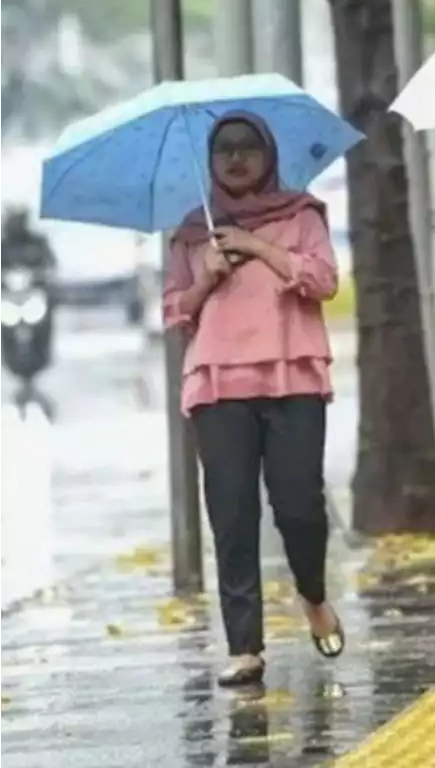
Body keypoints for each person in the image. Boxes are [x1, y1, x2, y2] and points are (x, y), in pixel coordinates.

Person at [162, 111, 345, 688]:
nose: (236, 158)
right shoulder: (193, 230)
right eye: (224, 150)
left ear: (268, 154)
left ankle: (313, 594)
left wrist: (256, 246)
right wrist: (207, 276)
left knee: (299, 508)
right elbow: (174, 311)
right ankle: (245, 645)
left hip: (292, 378)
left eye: (248, 147)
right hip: (218, 384)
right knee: (232, 515)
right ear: (211, 162)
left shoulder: (303, 214)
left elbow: (324, 281)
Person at [0, 206, 56, 272]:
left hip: (35, 280)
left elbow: (50, 264)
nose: (16, 223)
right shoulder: (2, 246)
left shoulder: (38, 242)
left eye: (19, 219)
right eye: (13, 219)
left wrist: (39, 273)